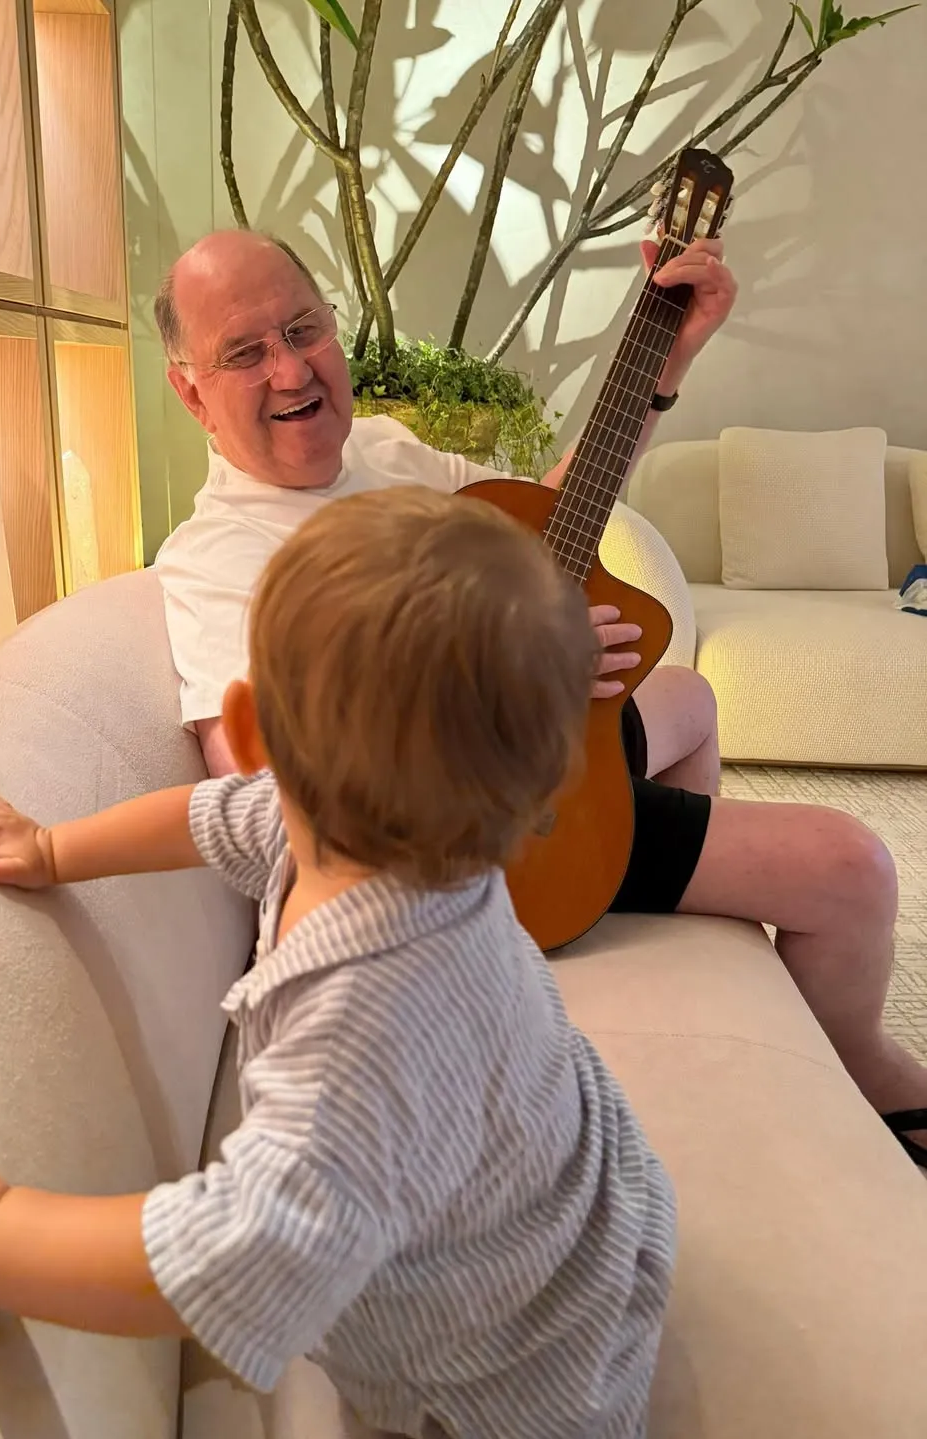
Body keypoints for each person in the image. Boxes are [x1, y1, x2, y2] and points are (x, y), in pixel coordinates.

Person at [0, 488, 676, 1439]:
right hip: (556, 1193)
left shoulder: (368, 1036)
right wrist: (52, 847)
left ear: (243, 732)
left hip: (516, 1375)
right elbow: (203, 819)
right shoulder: (381, 825)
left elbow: (235, 1253)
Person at [150, 228, 927, 1166]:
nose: (290, 368)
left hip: (538, 764)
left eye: (303, 328)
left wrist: (662, 362)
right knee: (854, 870)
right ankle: (866, 1070)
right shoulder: (219, 560)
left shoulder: (387, 453)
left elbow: (551, 523)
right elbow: (273, 787)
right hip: (474, 847)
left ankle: (661, 893)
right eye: (244, 352)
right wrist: (517, 664)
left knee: (687, 697)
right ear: (191, 390)